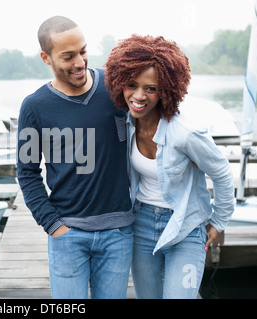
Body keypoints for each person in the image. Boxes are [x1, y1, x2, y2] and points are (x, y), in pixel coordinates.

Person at [104, 34, 235, 299]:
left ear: (165, 90)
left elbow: (222, 172)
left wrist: (218, 222)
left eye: (150, 88)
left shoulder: (185, 133)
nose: (139, 96)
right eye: (132, 84)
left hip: (185, 227)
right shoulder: (125, 123)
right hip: (140, 223)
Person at [17, 16, 133, 299]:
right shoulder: (34, 107)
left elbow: (155, 118)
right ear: (46, 58)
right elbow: (27, 172)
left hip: (118, 232)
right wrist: (54, 226)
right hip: (67, 235)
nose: (80, 62)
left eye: (83, 51)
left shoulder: (114, 87)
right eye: (68, 56)